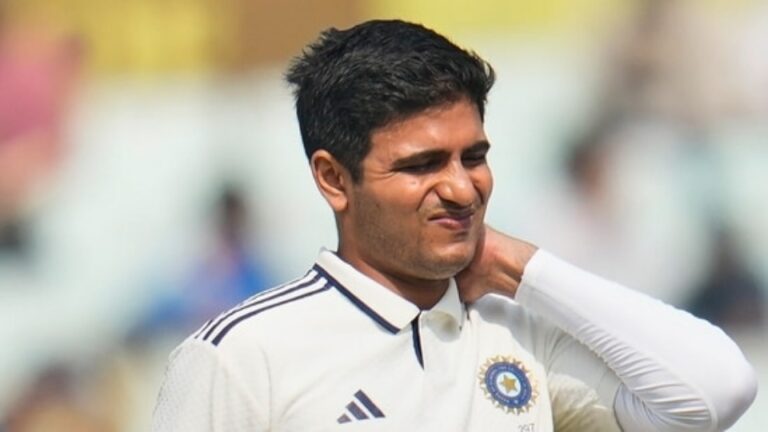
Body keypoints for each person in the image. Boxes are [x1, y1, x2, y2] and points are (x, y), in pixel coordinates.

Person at [152, 20, 757, 431]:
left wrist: (514, 265)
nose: (463, 188)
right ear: (334, 179)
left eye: (473, 157)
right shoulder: (243, 355)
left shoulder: (516, 334)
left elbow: (715, 391)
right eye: (422, 165)